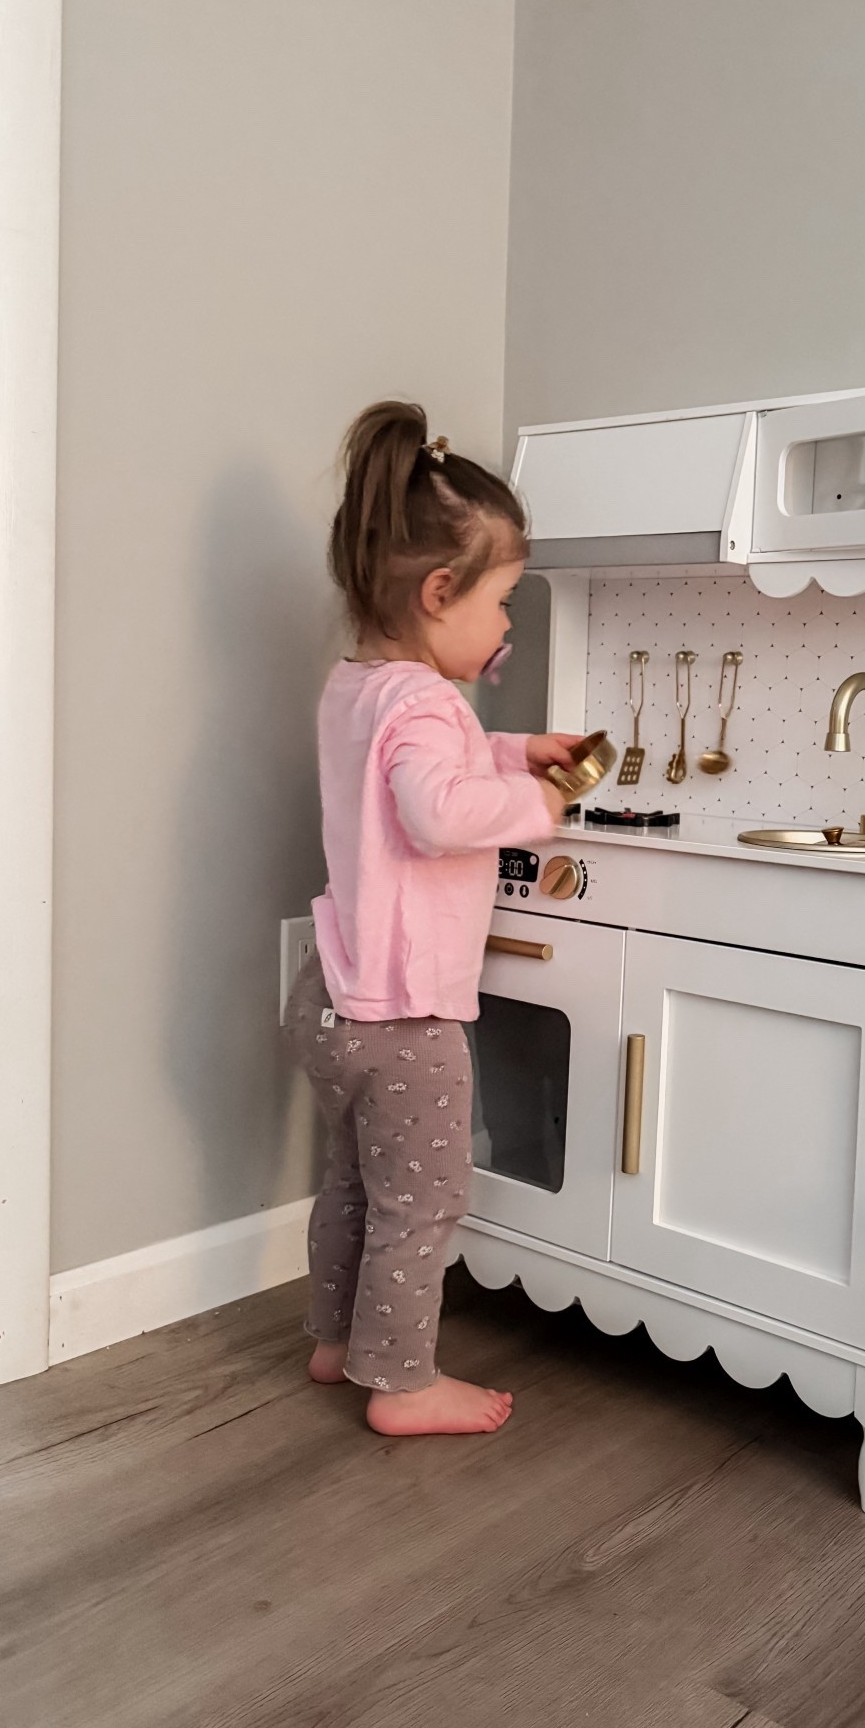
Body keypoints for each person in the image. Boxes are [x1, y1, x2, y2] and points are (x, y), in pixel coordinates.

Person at [283, 400, 577, 1437]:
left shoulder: (358, 685)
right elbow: (437, 807)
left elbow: (409, 774)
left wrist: (516, 746)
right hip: (405, 1015)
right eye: (501, 602)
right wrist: (539, 806)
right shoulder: (429, 704)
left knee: (354, 1181)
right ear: (439, 589)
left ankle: (335, 1338)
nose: (505, 628)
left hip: (336, 994)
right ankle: (402, 1382)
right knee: (425, 1199)